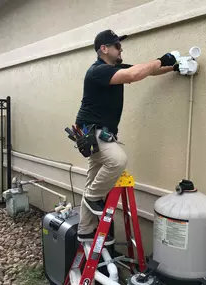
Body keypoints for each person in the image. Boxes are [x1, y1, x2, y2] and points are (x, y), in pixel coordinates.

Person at [75, 29, 177, 244]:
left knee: (93, 177)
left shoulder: (113, 69)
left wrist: (172, 65)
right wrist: (160, 59)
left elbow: (145, 71)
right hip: (92, 129)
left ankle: (85, 230)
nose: (122, 49)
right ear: (104, 49)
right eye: (117, 46)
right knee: (117, 160)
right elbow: (134, 75)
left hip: (97, 131)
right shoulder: (98, 70)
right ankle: (94, 197)